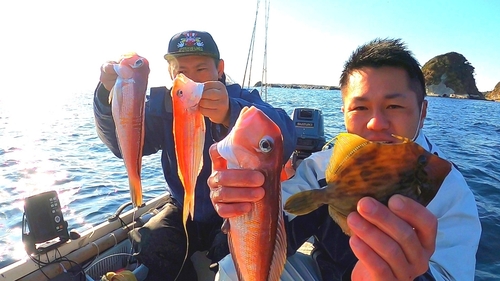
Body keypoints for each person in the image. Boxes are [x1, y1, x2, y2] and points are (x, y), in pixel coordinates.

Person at [208, 38, 482, 280]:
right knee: (232, 268)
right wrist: (246, 201)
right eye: (360, 107)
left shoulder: (447, 186)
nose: (376, 123)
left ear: (422, 111)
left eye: (394, 106)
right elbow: (282, 218)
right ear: (344, 113)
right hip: (322, 272)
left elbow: (450, 272)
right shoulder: (323, 168)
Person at [93, 30, 296, 281]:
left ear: (219, 69)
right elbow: (122, 144)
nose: (192, 79)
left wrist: (229, 112)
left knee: (230, 256)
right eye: (181, 71)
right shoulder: (162, 107)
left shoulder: (242, 100)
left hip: (231, 210)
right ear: (170, 73)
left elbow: (284, 134)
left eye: (201, 69)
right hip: (181, 205)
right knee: (152, 242)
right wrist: (107, 94)